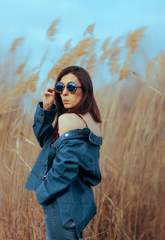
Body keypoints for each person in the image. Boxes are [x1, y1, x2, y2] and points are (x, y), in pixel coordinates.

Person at [25, 66, 103, 239]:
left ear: (85, 90)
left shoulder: (67, 119)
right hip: (77, 204)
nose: (64, 93)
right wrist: (46, 107)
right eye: (60, 87)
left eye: (71, 87)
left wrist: (43, 193)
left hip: (61, 202)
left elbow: (66, 166)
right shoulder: (92, 119)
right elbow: (48, 144)